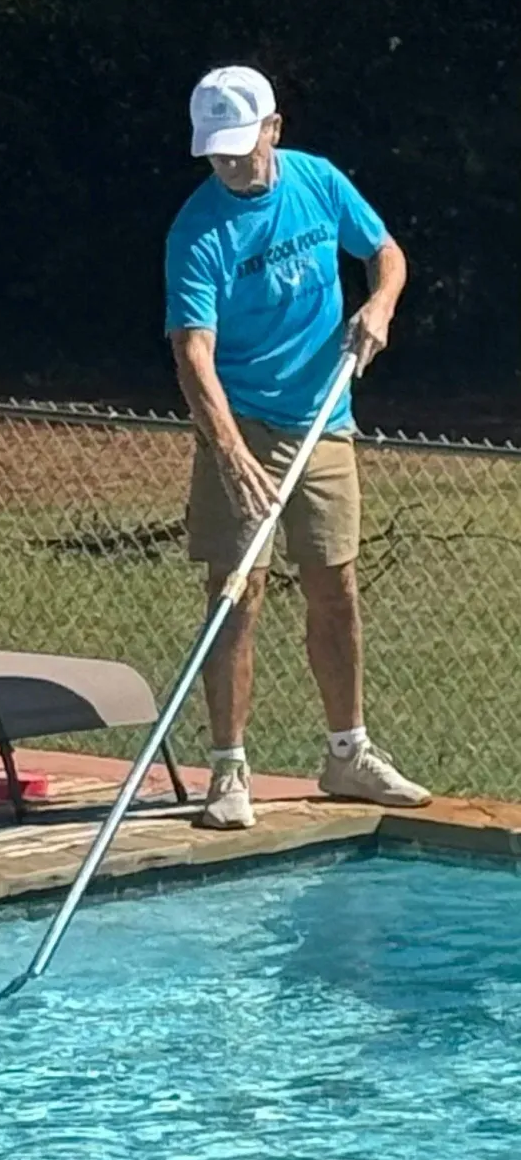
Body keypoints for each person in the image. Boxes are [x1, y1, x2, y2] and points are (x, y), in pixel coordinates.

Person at [165, 65, 430, 830]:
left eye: (241, 148)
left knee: (334, 586)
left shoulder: (316, 181)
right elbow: (193, 355)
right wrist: (228, 453)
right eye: (215, 153)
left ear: (274, 130)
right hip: (239, 419)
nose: (230, 164)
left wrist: (379, 306)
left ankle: (347, 753)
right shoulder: (197, 230)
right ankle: (228, 770)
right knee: (234, 594)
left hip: (324, 414)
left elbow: (386, 253)